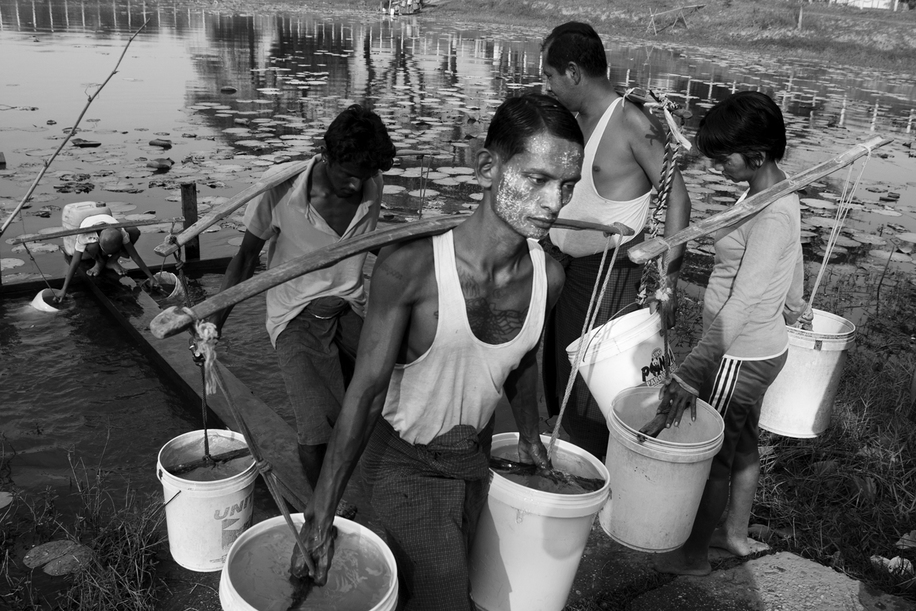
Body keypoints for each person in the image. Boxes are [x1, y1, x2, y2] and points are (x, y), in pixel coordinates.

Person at [294, 93, 584, 610]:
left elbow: (521, 361)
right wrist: (321, 514)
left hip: (471, 457)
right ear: (487, 169)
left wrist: (530, 437)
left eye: (567, 185)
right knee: (446, 593)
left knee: (446, 582)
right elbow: (365, 393)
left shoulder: (549, 277)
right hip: (403, 461)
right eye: (537, 179)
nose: (554, 203)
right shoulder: (410, 271)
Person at [652, 91, 806, 576]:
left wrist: (693, 371)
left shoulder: (772, 210)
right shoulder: (772, 189)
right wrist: (795, 304)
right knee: (741, 444)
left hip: (737, 356)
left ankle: (693, 555)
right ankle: (734, 534)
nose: (719, 168)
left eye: (724, 159)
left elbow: (743, 300)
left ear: (756, 155)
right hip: (759, 349)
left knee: (714, 456)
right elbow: (794, 259)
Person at [208, 104, 396, 493]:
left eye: (364, 177)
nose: (355, 186)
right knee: (315, 429)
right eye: (347, 175)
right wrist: (213, 326)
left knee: (386, 398)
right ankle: (322, 508)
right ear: (326, 156)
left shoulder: (372, 182)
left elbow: (369, 242)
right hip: (296, 316)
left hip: (350, 308)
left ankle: (366, 483)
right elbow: (245, 260)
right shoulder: (279, 191)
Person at [540, 21, 693, 459]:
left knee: (598, 384)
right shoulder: (573, 120)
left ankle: (611, 469)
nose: (547, 86)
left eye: (549, 76)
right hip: (564, 266)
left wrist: (668, 281)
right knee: (562, 377)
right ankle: (575, 460)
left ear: (573, 72)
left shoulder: (630, 120)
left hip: (609, 272)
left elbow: (678, 199)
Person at [56, 215, 158, 302]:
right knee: (92, 247)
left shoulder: (120, 231)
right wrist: (64, 289)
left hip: (107, 223)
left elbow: (135, 256)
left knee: (134, 231)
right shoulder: (84, 235)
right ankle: (99, 261)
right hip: (92, 239)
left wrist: (151, 277)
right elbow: (75, 262)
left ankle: (112, 260)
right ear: (100, 242)